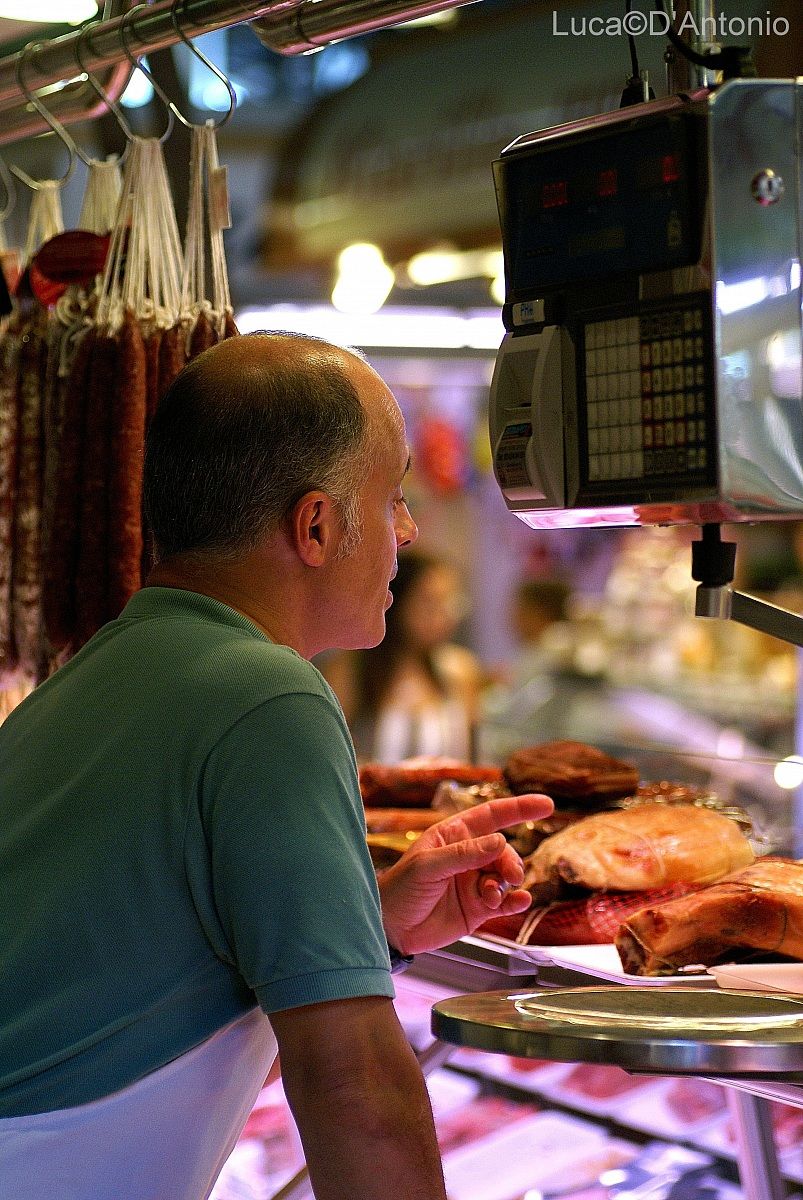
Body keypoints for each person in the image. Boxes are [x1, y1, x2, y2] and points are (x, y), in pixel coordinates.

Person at [0, 331, 552, 1200]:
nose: (406, 532)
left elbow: (144, 1002)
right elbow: (355, 1088)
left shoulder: (110, 669)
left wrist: (377, 932)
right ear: (317, 525)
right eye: (395, 496)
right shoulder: (267, 694)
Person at [321, 548, 485, 762]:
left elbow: (473, 760)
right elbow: (331, 753)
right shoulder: (353, 667)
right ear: (397, 602)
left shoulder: (460, 669)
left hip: (450, 792)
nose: (444, 616)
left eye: (451, 602)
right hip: (371, 794)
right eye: (429, 602)